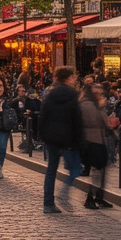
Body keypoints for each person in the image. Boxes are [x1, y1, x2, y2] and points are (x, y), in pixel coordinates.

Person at [41, 67, 84, 214]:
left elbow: (43, 116)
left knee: (51, 170)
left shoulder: (50, 94)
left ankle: (48, 203)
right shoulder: (72, 95)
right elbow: (77, 119)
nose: (74, 80)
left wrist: (44, 135)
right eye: (73, 77)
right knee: (75, 168)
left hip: (52, 138)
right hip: (68, 139)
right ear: (68, 78)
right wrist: (79, 140)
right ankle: (64, 194)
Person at [79, 82, 115, 209]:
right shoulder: (87, 104)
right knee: (96, 170)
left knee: (101, 169)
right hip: (91, 140)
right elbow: (98, 120)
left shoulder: (94, 103)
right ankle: (90, 198)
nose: (100, 91)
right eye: (97, 89)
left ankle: (99, 197)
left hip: (99, 139)